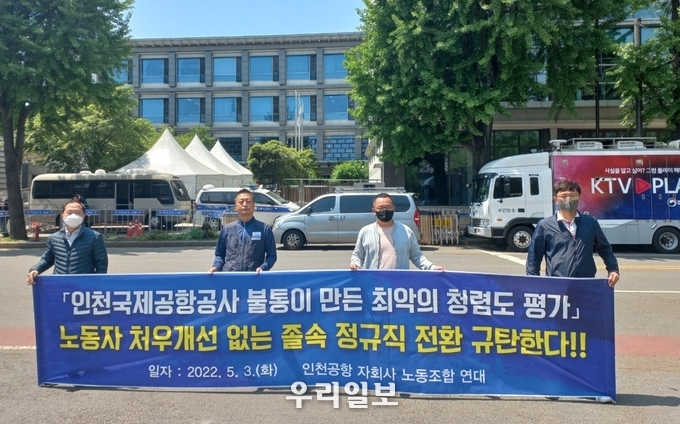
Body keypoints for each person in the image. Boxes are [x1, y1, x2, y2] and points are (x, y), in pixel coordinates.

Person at [526, 180, 619, 287]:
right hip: (557, 284)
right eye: (563, 196)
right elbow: (534, 256)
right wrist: (533, 282)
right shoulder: (545, 225)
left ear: (579, 197)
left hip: (586, 283)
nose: (568, 199)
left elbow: (604, 248)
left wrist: (613, 269)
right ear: (555, 199)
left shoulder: (590, 222)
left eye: (572, 195)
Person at [350, 192, 444, 271]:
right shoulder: (365, 232)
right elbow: (358, 255)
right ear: (374, 211)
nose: (385, 210)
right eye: (380, 208)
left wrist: (432, 267)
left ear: (394, 209)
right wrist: (355, 264)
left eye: (388, 207)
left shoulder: (406, 231)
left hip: (399, 282)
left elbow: (417, 256)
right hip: (374, 281)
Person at [27, 199, 108, 285]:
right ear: (62, 216)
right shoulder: (54, 238)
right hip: (60, 284)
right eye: (69, 213)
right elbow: (47, 259)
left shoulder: (94, 237)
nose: (73, 215)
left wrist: (99, 282)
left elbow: (101, 262)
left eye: (77, 213)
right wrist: (35, 269)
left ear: (84, 216)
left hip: (83, 285)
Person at [209, 188, 277, 274]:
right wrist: (216, 267)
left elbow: (272, 256)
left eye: (248, 201)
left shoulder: (264, 229)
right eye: (241, 202)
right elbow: (219, 255)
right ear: (235, 207)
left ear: (254, 206)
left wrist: (263, 267)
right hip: (230, 277)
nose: (245, 204)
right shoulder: (227, 229)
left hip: (254, 277)